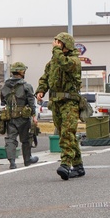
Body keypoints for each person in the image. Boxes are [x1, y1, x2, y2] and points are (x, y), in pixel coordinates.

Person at [35, 32, 85, 181]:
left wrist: (56, 51)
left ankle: (65, 164)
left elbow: (65, 64)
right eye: (55, 41)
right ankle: (78, 166)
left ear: (66, 45)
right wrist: (41, 90)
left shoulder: (74, 60)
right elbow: (45, 77)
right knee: (65, 133)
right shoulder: (52, 63)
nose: (55, 44)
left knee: (68, 133)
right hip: (56, 103)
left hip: (70, 102)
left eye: (59, 42)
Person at [0, 62, 39, 169]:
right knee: (26, 139)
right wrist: (34, 116)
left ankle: (12, 162)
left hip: (10, 118)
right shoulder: (27, 86)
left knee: (11, 139)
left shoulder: (4, 87)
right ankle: (27, 159)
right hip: (23, 118)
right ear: (21, 72)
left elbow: (3, 102)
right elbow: (31, 103)